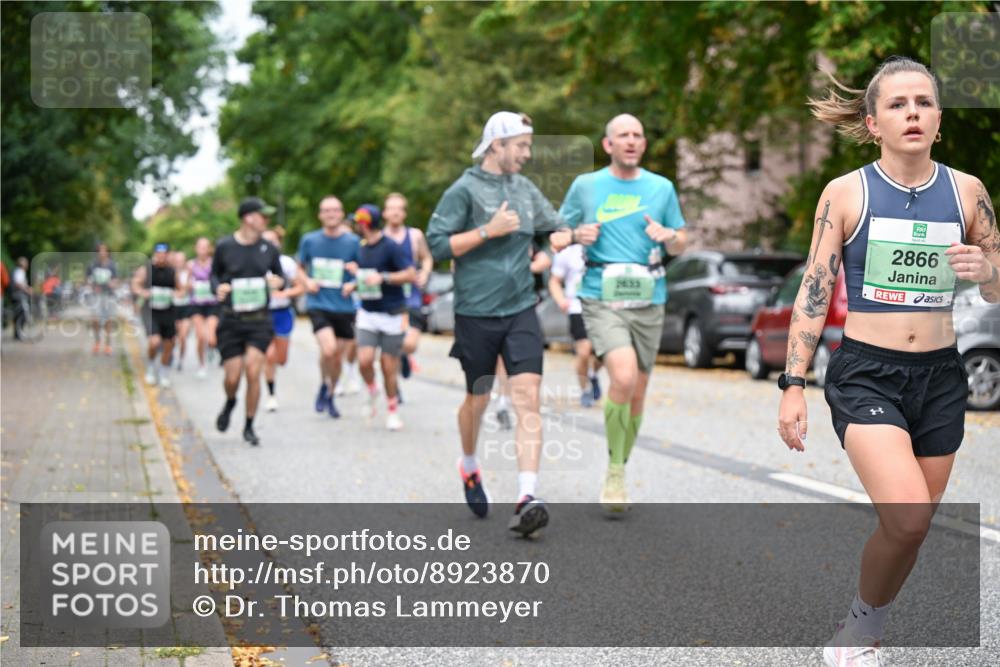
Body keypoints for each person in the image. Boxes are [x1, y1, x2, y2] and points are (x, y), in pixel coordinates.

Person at [776, 57, 999, 667]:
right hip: (867, 370)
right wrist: (792, 383)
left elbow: (998, 284)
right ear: (873, 122)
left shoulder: (968, 191)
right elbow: (815, 288)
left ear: (939, 119)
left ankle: (863, 629)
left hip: (942, 377)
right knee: (905, 520)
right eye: (898, 104)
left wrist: (989, 271)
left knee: (915, 528)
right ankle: (856, 636)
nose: (913, 113)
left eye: (924, 102)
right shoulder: (846, 192)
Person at [427, 110, 564, 537]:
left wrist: (549, 251)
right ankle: (469, 464)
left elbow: (552, 228)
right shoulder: (463, 190)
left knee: (527, 396)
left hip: (521, 308)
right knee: (479, 400)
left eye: (529, 145)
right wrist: (487, 231)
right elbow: (436, 245)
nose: (527, 153)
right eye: (521, 146)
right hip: (475, 312)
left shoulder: (525, 189)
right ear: (496, 146)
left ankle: (527, 496)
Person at [554, 113, 688, 513]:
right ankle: (614, 471)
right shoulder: (586, 186)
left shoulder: (661, 188)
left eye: (637, 135)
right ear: (608, 144)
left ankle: (620, 465)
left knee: (639, 391)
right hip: (600, 295)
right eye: (622, 135)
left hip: (649, 297)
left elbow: (681, 241)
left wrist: (670, 238)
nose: (630, 141)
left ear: (643, 144)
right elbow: (556, 237)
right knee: (624, 376)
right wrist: (577, 235)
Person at [212, 197, 286, 446]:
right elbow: (214, 275)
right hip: (231, 321)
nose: (267, 220)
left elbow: (280, 276)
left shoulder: (269, 248)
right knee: (233, 378)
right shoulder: (224, 246)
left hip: (259, 321)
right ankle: (230, 401)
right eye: (262, 215)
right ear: (247, 218)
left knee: (254, 371)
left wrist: (279, 282)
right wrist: (218, 288)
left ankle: (249, 425)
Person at [343, 204, 417, 431]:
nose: (355, 225)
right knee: (364, 360)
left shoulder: (392, 247)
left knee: (388, 366)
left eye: (357, 221)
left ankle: (392, 409)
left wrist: (383, 277)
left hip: (392, 315)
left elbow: (410, 274)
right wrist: (353, 283)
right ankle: (373, 389)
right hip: (367, 313)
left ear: (365, 224)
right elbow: (366, 277)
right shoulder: (361, 248)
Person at [298, 195, 361, 418]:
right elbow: (299, 268)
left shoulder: (353, 242)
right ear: (320, 215)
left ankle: (329, 391)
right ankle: (324, 383)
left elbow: (363, 272)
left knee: (337, 358)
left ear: (342, 214)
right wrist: (307, 282)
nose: (331, 214)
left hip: (344, 307)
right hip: (318, 303)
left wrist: (354, 282)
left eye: (335, 210)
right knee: (329, 349)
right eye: (326, 210)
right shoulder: (309, 240)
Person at [382, 192, 433, 382]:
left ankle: (404, 355)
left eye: (399, 209)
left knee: (410, 344)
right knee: (390, 348)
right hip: (387, 299)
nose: (395, 212)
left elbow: (426, 257)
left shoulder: (414, 235)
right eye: (391, 208)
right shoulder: (379, 238)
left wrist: (425, 273)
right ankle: (394, 388)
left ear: (404, 213)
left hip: (411, 297)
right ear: (385, 213)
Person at [549, 243, 603, 407]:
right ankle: (584, 389)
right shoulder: (568, 251)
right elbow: (554, 281)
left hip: (604, 308)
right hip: (577, 307)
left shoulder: (607, 244)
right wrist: (561, 300)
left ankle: (593, 373)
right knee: (584, 351)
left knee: (605, 353)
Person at [262, 226, 305, 412]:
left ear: (278, 243)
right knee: (269, 356)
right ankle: (271, 394)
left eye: (273, 241)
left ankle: (274, 375)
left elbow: (300, 287)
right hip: (262, 315)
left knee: (281, 359)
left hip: (283, 313)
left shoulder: (286, 263)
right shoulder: (255, 262)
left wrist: (285, 292)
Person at [131, 243, 181, 388]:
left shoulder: (172, 271)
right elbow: (135, 284)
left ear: (167, 255)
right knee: (154, 342)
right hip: (151, 311)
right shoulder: (146, 269)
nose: (161, 257)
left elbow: (181, 289)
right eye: (159, 254)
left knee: (169, 345)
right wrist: (143, 292)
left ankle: (164, 372)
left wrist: (177, 293)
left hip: (168, 311)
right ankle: (151, 367)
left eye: (164, 254)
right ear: (155, 254)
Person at [188, 237, 220, 379]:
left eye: (205, 246)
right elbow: (186, 284)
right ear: (196, 248)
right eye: (200, 246)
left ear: (209, 249)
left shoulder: (215, 264)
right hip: (197, 305)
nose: (202, 249)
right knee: (201, 336)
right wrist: (190, 286)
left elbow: (220, 280)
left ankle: (212, 348)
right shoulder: (191, 265)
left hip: (212, 304)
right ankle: (202, 365)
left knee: (211, 338)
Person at [87, 243, 118, 355]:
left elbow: (116, 280)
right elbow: (87, 280)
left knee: (108, 320)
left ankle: (108, 344)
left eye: (105, 250)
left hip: (109, 296)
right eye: (100, 250)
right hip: (96, 296)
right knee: (95, 319)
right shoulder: (92, 265)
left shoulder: (112, 265)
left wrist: (112, 283)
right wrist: (92, 286)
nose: (102, 252)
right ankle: (97, 341)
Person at [171, 250, 193, 370]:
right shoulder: (171, 273)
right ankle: (172, 354)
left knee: (183, 336)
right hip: (174, 308)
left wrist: (184, 289)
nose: (179, 262)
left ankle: (181, 359)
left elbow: (190, 287)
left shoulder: (189, 273)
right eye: (177, 260)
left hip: (186, 307)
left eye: (181, 260)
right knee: (174, 337)